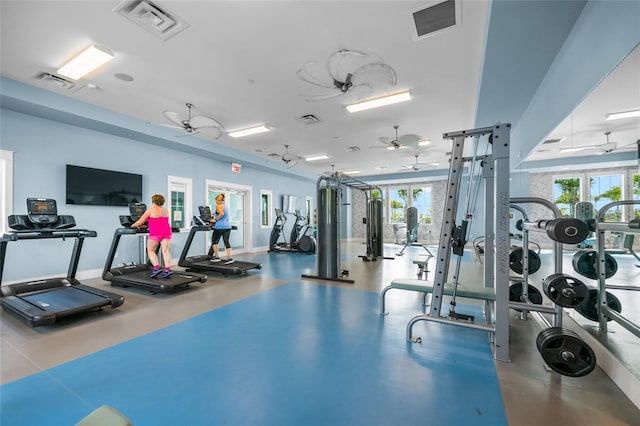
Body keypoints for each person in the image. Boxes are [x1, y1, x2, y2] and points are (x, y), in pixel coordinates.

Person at [131, 194, 173, 278]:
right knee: (166, 251)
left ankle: (156, 268)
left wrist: (132, 226)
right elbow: (159, 221)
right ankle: (167, 269)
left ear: (153, 201)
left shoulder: (151, 210)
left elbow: (140, 221)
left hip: (156, 232)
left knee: (150, 250)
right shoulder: (165, 210)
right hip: (167, 231)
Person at [210, 193, 234, 264]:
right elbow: (224, 214)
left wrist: (215, 219)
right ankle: (230, 258)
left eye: (216, 200)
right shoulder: (226, 206)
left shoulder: (219, 206)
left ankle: (217, 256)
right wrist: (215, 214)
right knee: (226, 242)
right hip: (227, 226)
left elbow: (221, 214)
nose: (216, 202)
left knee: (214, 241)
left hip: (220, 227)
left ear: (219, 200)